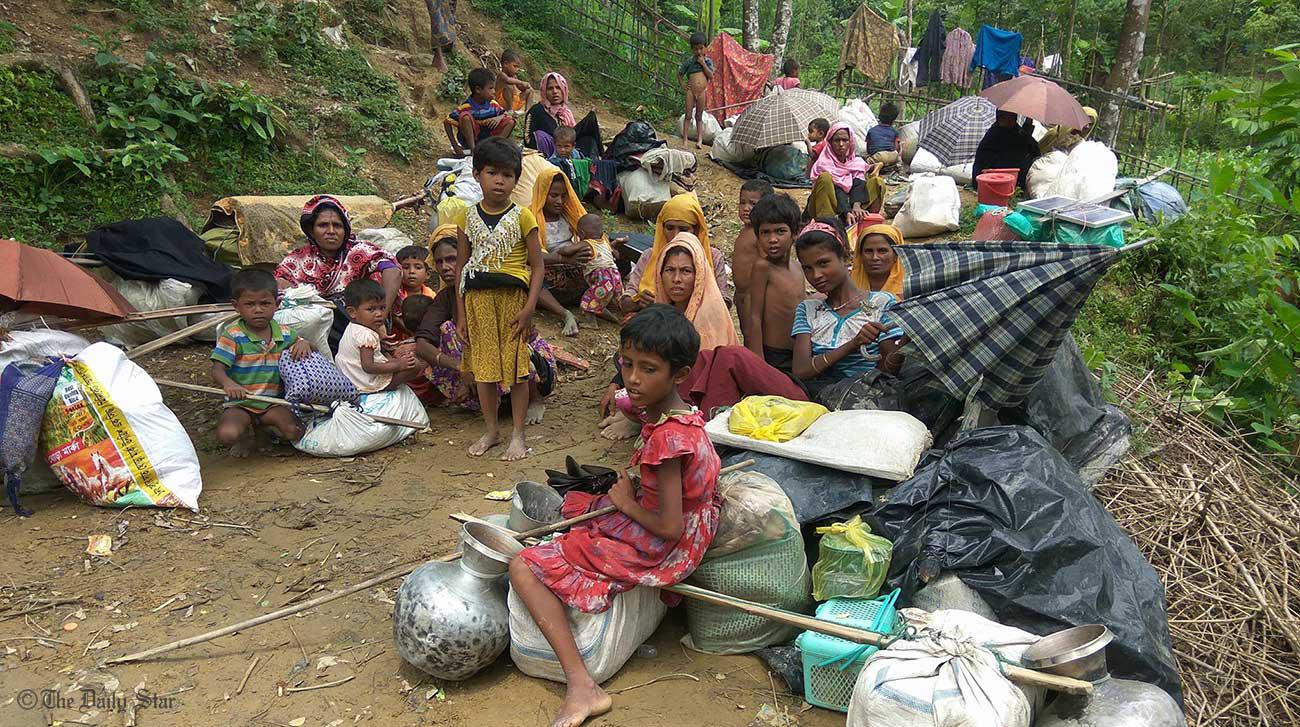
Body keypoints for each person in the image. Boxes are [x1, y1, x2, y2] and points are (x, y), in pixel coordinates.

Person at [509, 304, 722, 727]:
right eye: (627, 365)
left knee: (523, 567)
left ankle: (582, 686)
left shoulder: (669, 438)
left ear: (679, 374)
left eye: (648, 369)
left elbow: (669, 526)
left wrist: (625, 503)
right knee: (580, 509)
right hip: (682, 529)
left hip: (669, 545)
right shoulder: (684, 417)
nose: (634, 379)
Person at [600, 232, 803, 438]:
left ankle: (657, 421)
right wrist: (616, 384)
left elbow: (701, 377)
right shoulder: (661, 313)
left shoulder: (710, 316)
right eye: (670, 270)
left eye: (686, 271)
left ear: (700, 275)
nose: (676, 279)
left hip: (712, 391)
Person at [453, 137, 544, 461]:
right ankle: (491, 430)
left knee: (518, 371)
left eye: (508, 175)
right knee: (484, 370)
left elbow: (537, 265)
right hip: (478, 303)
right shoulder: (466, 216)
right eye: (492, 172)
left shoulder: (523, 216)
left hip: (512, 303)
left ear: (516, 180)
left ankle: (517, 436)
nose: (500, 181)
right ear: (477, 174)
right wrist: (461, 316)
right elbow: (462, 266)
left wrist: (530, 308)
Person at [411, 230, 555, 421]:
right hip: (486, 371)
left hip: (533, 369)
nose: (445, 267)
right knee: (447, 331)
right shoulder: (446, 298)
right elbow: (421, 344)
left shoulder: (493, 285)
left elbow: (515, 337)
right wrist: (460, 367)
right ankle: (489, 400)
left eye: (452, 259)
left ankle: (534, 399)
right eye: (439, 262)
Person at [791, 218, 906, 402]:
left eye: (823, 264)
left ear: (845, 257)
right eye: (808, 268)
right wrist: (853, 344)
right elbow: (801, 370)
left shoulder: (882, 303)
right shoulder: (809, 309)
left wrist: (907, 338)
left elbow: (888, 371)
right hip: (818, 399)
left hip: (865, 400)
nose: (816, 275)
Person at [274, 195, 401, 353]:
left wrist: (380, 317)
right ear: (311, 231)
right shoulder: (298, 259)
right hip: (322, 330)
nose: (331, 231)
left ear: (345, 229)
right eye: (323, 225)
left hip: (365, 320)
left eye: (337, 226)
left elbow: (393, 271)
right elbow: (280, 288)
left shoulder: (359, 251)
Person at [211, 269, 311, 456]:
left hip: (273, 403)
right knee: (227, 435)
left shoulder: (286, 333)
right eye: (250, 304)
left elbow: (306, 346)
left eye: (265, 303)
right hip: (241, 403)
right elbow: (217, 369)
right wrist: (228, 383)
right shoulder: (233, 335)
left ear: (277, 304)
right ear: (236, 306)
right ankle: (245, 436)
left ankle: (263, 430)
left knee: (295, 432)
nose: (258, 310)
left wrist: (305, 344)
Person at [621, 194, 730, 313]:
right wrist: (638, 301)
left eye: (683, 229)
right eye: (670, 228)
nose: (675, 235)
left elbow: (724, 303)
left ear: (696, 230)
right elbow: (626, 302)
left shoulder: (713, 257)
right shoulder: (650, 256)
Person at [742, 194, 806, 381]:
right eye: (765, 232)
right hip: (773, 355)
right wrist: (758, 365)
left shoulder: (798, 267)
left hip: (797, 354)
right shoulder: (763, 268)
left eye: (780, 231)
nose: (772, 239)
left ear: (795, 233)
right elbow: (754, 316)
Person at [335, 279, 423, 394]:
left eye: (382, 308)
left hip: (351, 375)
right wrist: (399, 365)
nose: (379, 314)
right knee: (414, 365)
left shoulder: (353, 327)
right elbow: (369, 367)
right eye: (371, 309)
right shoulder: (366, 335)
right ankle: (387, 387)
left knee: (393, 357)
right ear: (352, 312)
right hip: (363, 381)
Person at [531, 166, 589, 336]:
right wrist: (562, 259)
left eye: (564, 196)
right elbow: (532, 257)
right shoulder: (530, 217)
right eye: (553, 195)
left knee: (619, 262)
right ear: (542, 194)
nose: (559, 201)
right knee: (530, 278)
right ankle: (565, 313)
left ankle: (591, 300)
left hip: (572, 267)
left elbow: (588, 238)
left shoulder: (570, 215)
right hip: (550, 269)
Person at [550, 213, 623, 324]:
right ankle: (614, 319)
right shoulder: (605, 242)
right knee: (603, 299)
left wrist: (560, 250)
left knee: (588, 299)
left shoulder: (586, 243)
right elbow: (616, 255)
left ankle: (591, 323)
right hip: (616, 276)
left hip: (602, 276)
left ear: (582, 234)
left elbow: (567, 251)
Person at [805, 122, 884, 225]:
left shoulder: (855, 162)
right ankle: (827, 226)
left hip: (849, 204)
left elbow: (859, 182)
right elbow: (837, 189)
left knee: (877, 182)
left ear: (850, 142)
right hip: (826, 207)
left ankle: (868, 224)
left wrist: (856, 206)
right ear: (830, 142)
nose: (841, 144)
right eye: (837, 141)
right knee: (825, 178)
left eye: (845, 140)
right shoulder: (823, 163)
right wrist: (846, 211)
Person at [525, 72, 603, 159]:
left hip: (568, 148)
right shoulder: (537, 110)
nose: (555, 92)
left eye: (558, 88)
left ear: (563, 89)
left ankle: (595, 163)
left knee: (589, 140)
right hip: (551, 151)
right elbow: (527, 138)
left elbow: (570, 135)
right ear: (544, 91)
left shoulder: (566, 112)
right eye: (550, 88)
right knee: (590, 119)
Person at [445, 67, 516, 157]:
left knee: (510, 121)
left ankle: (495, 148)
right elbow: (447, 122)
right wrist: (455, 146)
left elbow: (506, 113)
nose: (494, 92)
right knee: (465, 116)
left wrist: (498, 118)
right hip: (470, 140)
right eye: (490, 88)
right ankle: (473, 151)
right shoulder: (466, 107)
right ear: (478, 89)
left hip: (487, 139)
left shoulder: (493, 105)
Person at [730, 179, 773, 327]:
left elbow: (767, 263)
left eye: (753, 204)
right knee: (746, 332)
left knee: (754, 332)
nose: (746, 208)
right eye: (742, 203)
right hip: (741, 294)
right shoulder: (745, 230)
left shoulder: (759, 233)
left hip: (753, 295)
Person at [972, 110, 1040, 189]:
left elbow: (1033, 149)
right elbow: (981, 166)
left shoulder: (1016, 131)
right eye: (1009, 116)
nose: (1012, 119)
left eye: (1013, 116)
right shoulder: (993, 136)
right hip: (995, 182)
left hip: (1017, 182)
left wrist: (1028, 126)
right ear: (1000, 117)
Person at [679, 32, 714, 150]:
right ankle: (684, 140)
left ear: (706, 48)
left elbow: (711, 76)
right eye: (695, 49)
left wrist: (703, 63)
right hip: (690, 91)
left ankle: (699, 140)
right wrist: (684, 85)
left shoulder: (708, 62)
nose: (698, 51)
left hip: (702, 92)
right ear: (692, 49)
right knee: (688, 115)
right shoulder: (689, 62)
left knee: (699, 116)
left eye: (701, 48)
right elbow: (680, 74)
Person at [852, 223, 905, 299]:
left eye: (882, 251)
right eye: (869, 251)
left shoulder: (909, 289)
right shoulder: (847, 286)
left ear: (896, 254)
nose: (875, 257)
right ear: (860, 255)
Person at [496, 49, 533, 114]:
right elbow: (507, 80)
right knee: (509, 87)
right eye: (515, 66)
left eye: (518, 67)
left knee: (530, 90)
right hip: (500, 104)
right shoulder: (501, 75)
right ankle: (510, 111)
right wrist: (521, 82)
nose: (517, 69)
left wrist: (525, 86)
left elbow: (520, 88)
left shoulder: (514, 77)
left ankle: (527, 112)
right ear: (506, 64)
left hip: (514, 102)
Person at [865, 102, 901, 168]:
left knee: (867, 162)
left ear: (880, 116)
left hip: (878, 156)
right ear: (893, 120)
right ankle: (887, 165)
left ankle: (876, 166)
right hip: (893, 156)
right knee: (896, 158)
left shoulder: (871, 131)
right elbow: (896, 147)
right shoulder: (894, 131)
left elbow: (868, 149)